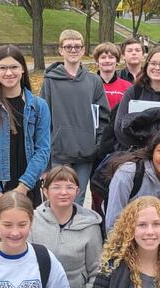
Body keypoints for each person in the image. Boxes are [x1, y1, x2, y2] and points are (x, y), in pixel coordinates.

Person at [0, 45, 51, 237]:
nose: (9, 73)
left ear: (23, 69)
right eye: (3, 68)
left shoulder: (39, 106)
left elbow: (43, 150)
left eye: (14, 67)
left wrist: (23, 187)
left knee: (27, 241)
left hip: (27, 187)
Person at [40, 29, 110, 206]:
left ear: (83, 50)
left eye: (77, 46)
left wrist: (97, 146)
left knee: (77, 200)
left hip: (85, 153)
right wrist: (45, 163)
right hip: (59, 153)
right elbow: (43, 120)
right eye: (68, 46)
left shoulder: (94, 81)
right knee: (58, 201)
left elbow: (103, 118)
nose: (73, 50)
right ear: (61, 50)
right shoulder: (50, 81)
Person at [105, 127, 160, 231]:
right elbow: (112, 223)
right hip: (126, 236)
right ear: (152, 151)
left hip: (156, 238)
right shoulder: (128, 173)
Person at [114, 46, 160, 151]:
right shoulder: (133, 92)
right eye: (153, 63)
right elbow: (119, 127)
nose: (157, 68)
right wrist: (138, 150)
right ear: (147, 65)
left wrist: (157, 151)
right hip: (133, 153)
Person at [93, 42, 132, 110]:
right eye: (103, 57)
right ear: (97, 61)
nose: (107, 60)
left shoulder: (128, 87)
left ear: (117, 61)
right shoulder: (89, 86)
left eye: (111, 57)